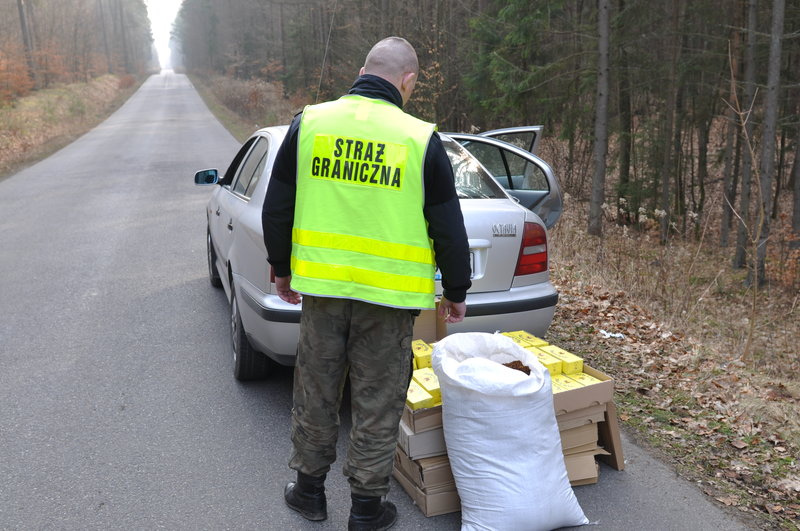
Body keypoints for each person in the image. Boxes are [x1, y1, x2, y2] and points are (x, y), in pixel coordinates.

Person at [262, 36, 471, 531]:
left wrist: (281, 266)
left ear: (362, 71)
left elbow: (279, 203)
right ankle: (365, 509)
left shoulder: (310, 122)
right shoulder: (420, 137)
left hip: (324, 291)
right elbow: (447, 223)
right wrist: (457, 291)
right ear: (408, 80)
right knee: (378, 402)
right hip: (389, 298)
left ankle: (309, 493)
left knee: (316, 389)